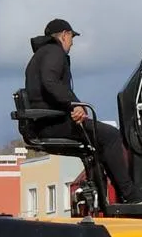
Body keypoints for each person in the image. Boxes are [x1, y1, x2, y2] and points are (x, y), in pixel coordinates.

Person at [24, 18, 135, 201]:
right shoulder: (54, 52)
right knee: (111, 136)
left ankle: (109, 198)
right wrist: (75, 105)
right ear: (65, 35)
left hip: (44, 122)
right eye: (72, 39)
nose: (72, 44)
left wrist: (71, 105)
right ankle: (130, 195)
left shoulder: (40, 56)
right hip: (53, 123)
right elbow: (50, 81)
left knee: (97, 145)